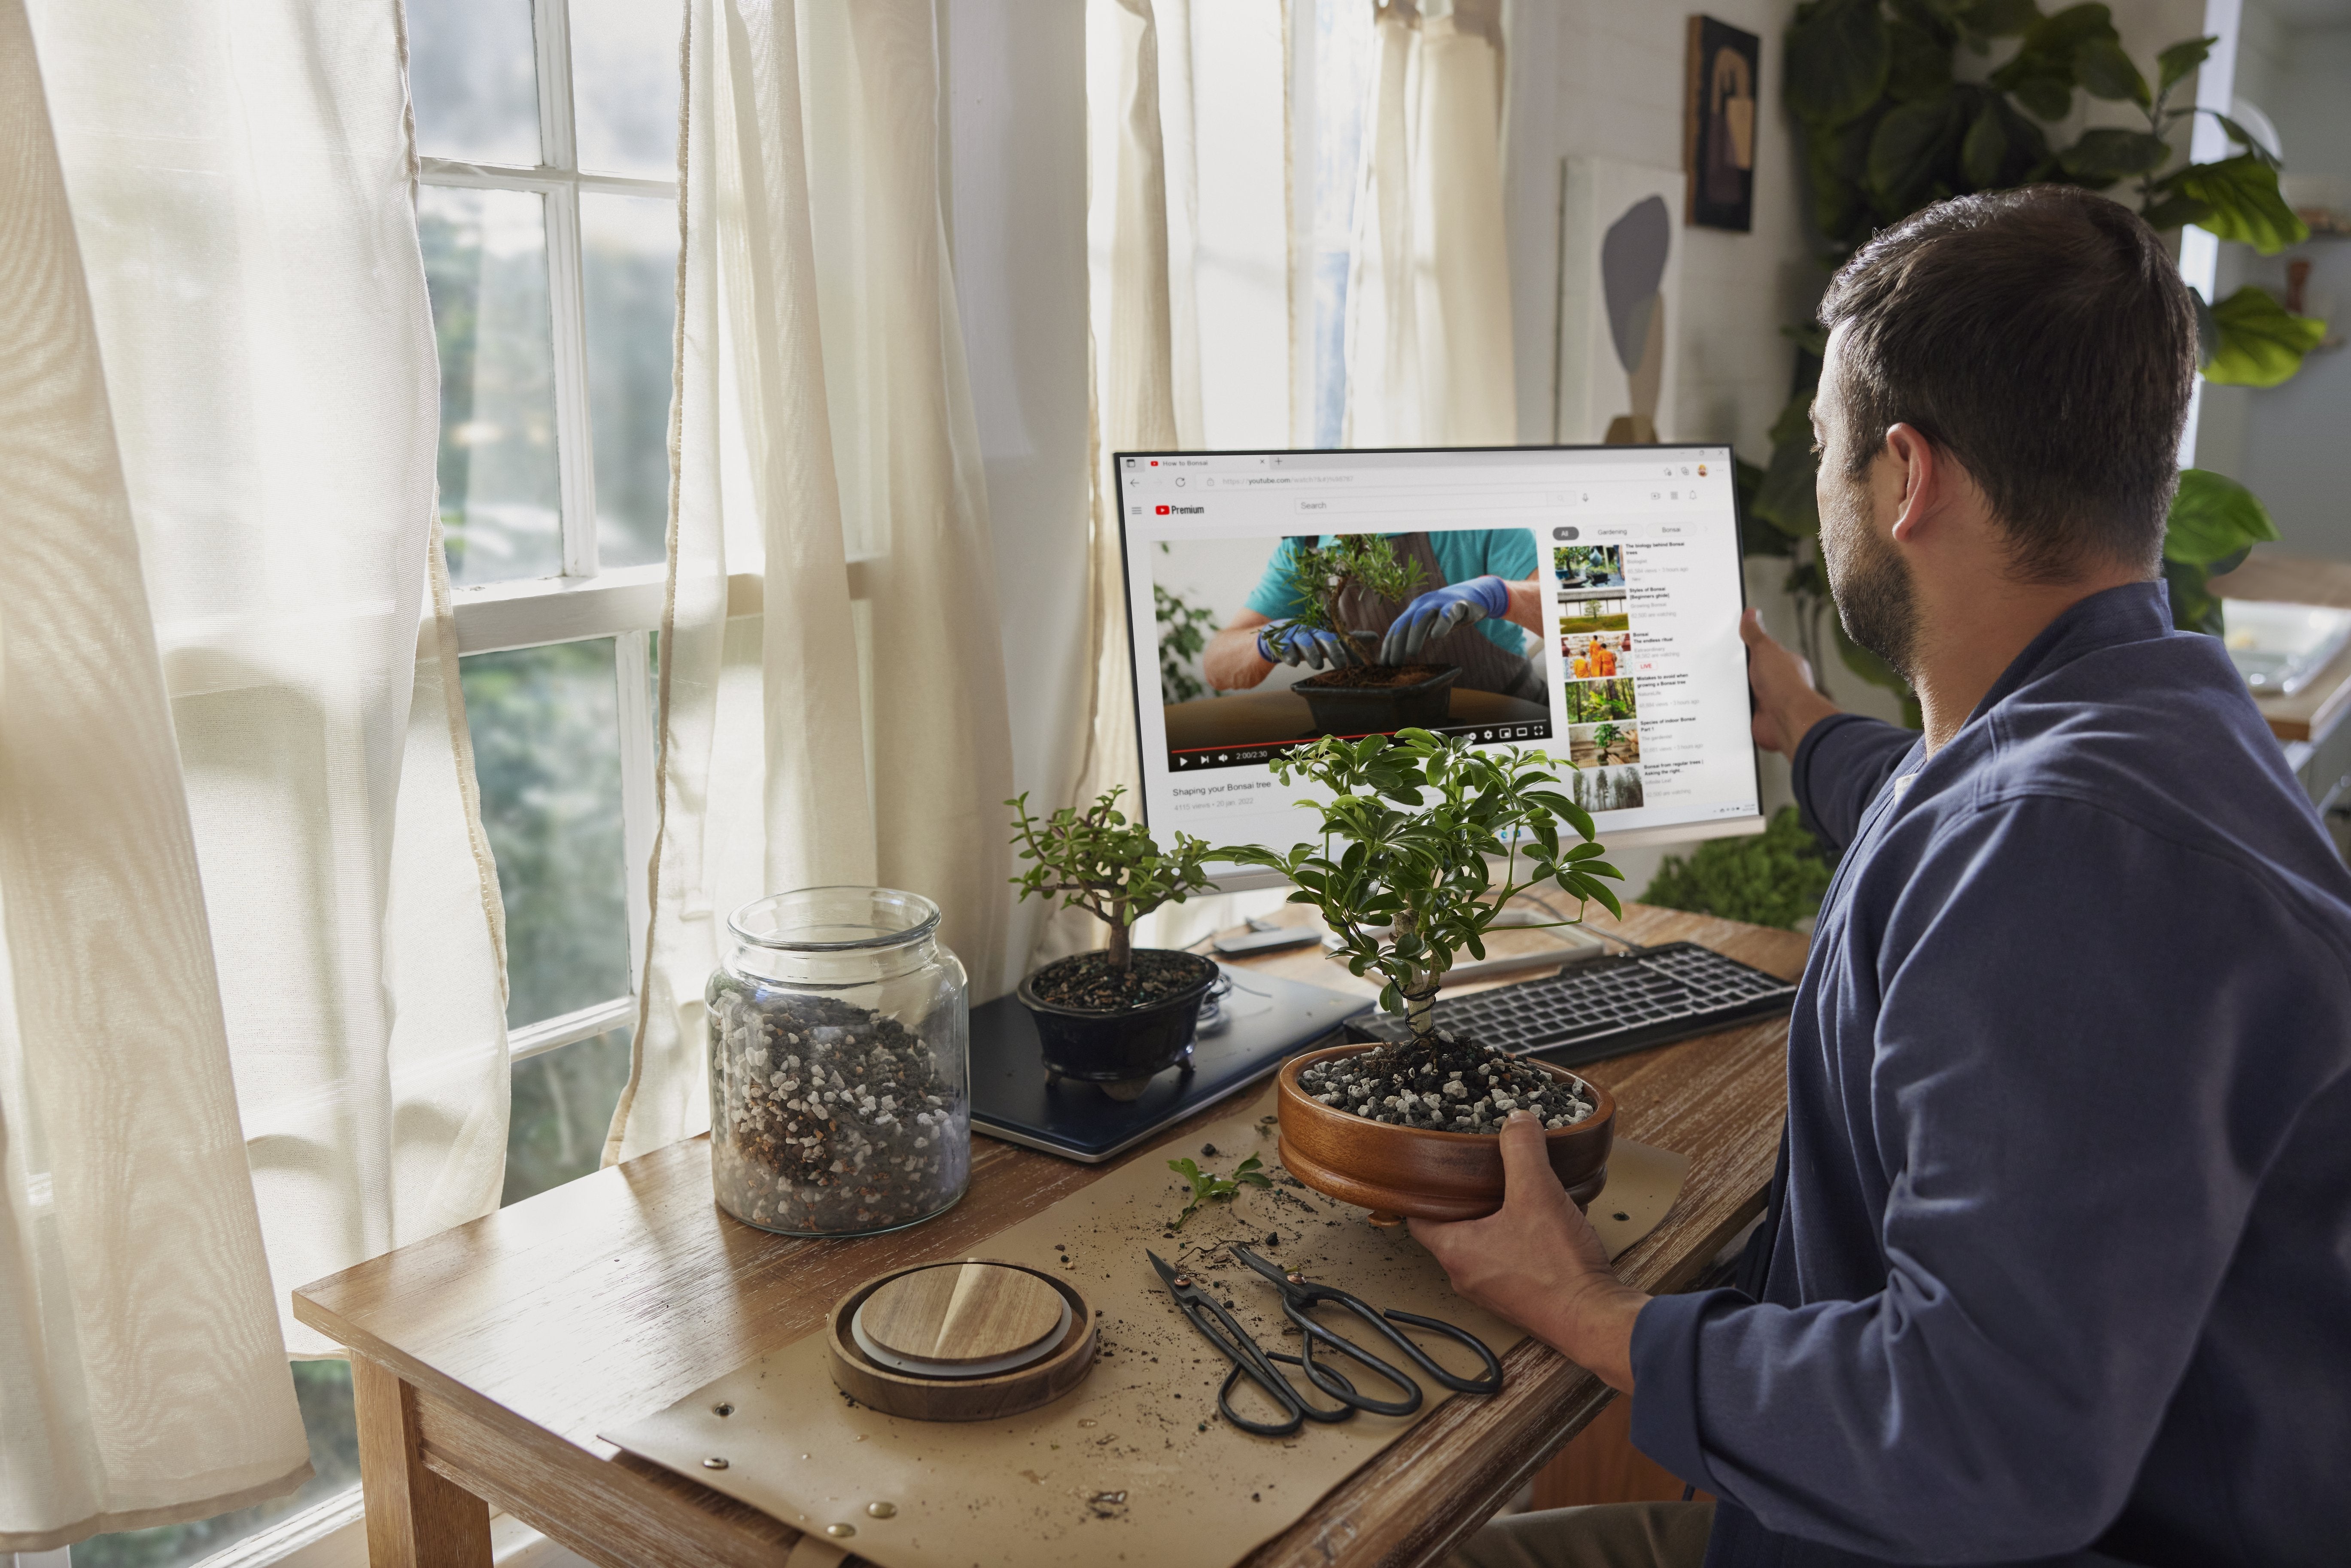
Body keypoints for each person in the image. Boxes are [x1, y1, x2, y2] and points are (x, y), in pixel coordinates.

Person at [1415, 186, 2351, 1567]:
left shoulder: (2064, 855)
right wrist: (1803, 724)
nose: (1821, 485)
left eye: (1821, 452)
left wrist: (1585, 1304)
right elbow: (1957, 807)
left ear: (1904, 476)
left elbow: (1979, 1435)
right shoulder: (2148, 716)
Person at [1201, 529, 1546, 699]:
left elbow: (1583, 621)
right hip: (1378, 748)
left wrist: (1503, 594)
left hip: (1503, 721)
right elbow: (1217, 667)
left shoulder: (1474, 521)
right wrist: (1266, 639)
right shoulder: (1304, 547)